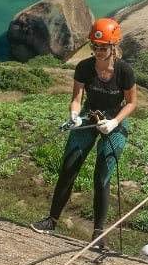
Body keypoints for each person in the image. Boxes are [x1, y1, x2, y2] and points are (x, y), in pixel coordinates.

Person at [31, 18, 137, 250]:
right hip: (90, 117)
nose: (98, 51)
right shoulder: (84, 67)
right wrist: (74, 115)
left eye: (103, 47)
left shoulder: (124, 70)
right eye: (95, 46)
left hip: (115, 123)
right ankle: (51, 221)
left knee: (101, 178)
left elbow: (131, 103)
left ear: (113, 46)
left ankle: (98, 233)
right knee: (68, 167)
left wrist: (114, 122)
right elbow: (77, 98)